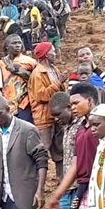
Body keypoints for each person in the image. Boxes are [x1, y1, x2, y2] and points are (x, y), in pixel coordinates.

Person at [28, 42, 64, 177]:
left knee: (59, 150)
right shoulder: (37, 73)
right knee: (42, 151)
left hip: (56, 116)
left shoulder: (54, 69)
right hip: (44, 118)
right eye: (52, 51)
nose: (55, 53)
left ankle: (61, 179)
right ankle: (35, 181)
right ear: (45, 54)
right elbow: (41, 95)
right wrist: (57, 83)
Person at [0, 34, 37, 124]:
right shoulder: (1, 64)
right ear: (7, 46)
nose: (17, 45)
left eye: (19, 43)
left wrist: (22, 73)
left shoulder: (30, 61)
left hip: (25, 103)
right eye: (14, 43)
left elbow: (38, 79)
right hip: (7, 104)